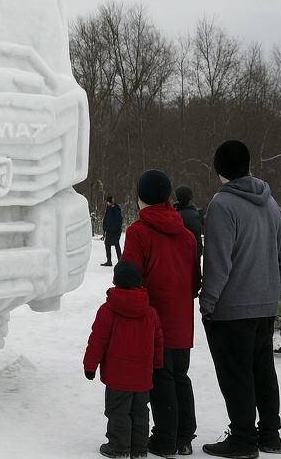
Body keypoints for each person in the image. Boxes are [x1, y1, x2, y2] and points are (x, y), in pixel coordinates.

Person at [200, 140, 281, 459]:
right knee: (263, 371)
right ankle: (270, 435)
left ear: (218, 169)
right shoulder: (271, 203)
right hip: (265, 304)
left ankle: (243, 440)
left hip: (233, 308)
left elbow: (218, 263)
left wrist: (207, 304)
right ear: (248, 166)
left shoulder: (222, 205)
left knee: (237, 375)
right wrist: (270, 288)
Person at [121, 169, 201, 457]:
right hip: (181, 317)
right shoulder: (187, 235)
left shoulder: (138, 232)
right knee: (180, 375)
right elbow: (194, 281)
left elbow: (129, 278)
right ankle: (184, 437)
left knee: (161, 376)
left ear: (140, 197)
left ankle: (165, 439)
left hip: (152, 318)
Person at [85, 260, 165, 458]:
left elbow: (98, 340)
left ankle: (119, 447)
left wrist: (90, 366)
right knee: (140, 412)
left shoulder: (108, 310)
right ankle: (139, 449)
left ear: (115, 281)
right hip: (142, 375)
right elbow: (158, 341)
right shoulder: (151, 313)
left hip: (117, 376)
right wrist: (157, 364)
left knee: (118, 411)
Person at [173, 186, 204, 259]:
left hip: (179, 256)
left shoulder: (174, 216)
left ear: (177, 197)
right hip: (194, 255)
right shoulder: (196, 214)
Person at [102, 195, 124, 266]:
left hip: (114, 231)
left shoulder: (115, 208)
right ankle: (109, 260)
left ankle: (120, 260)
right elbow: (106, 219)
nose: (107, 203)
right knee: (107, 244)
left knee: (116, 244)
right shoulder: (109, 209)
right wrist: (104, 229)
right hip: (109, 230)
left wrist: (115, 229)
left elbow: (118, 220)